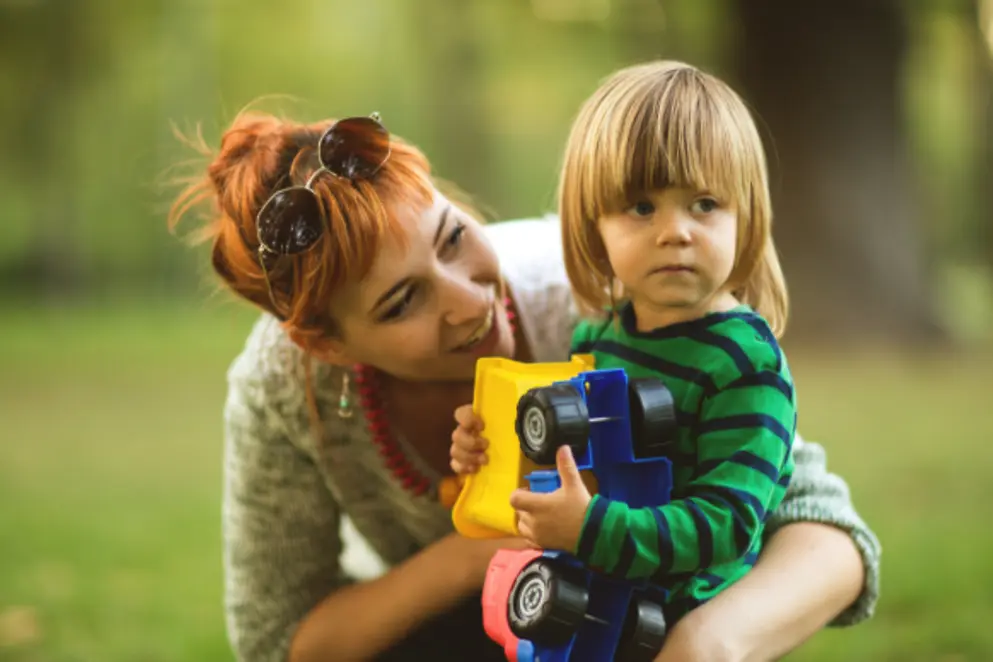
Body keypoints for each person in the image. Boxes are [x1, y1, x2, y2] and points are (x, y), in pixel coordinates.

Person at [168, 100, 879, 662]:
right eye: (402, 302)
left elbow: (824, 527)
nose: (471, 300)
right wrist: (482, 544)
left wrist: (706, 642)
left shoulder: (603, 290)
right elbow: (279, 640)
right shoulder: (282, 390)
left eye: (452, 238)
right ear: (326, 346)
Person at [451, 60, 799, 631]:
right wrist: (490, 453)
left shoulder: (745, 364)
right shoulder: (598, 336)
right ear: (595, 228)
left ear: (747, 216)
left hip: (684, 621)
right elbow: (571, 465)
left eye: (704, 204)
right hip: (597, 603)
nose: (676, 231)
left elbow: (728, 523)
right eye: (641, 207)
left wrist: (592, 530)